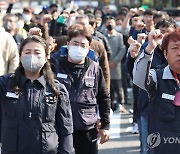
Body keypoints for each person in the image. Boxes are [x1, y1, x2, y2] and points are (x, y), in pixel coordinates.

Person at [0, 36, 74, 154]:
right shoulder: (5, 84)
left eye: (37, 52)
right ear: (20, 56)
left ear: (46, 57)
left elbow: (66, 129)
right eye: (27, 52)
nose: (32, 56)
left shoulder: (57, 89)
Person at [54, 24, 110, 154]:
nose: (78, 48)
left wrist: (105, 126)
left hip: (86, 128)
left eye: (83, 45)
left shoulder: (95, 68)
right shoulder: (55, 66)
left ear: (88, 48)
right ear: (67, 45)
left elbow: (103, 97)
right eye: (75, 43)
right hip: (59, 128)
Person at [133, 28, 180, 154]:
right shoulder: (157, 76)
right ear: (165, 54)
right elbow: (138, 79)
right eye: (175, 48)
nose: (179, 53)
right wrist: (149, 48)